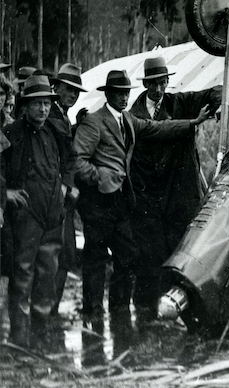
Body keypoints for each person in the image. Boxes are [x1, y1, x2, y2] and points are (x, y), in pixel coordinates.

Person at [72, 70, 211, 326]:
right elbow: (77, 160)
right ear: (109, 94)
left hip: (119, 202)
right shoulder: (94, 121)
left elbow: (157, 127)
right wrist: (100, 176)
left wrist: (192, 123)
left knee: (128, 256)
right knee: (95, 259)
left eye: (126, 93)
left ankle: (119, 312)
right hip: (97, 203)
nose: (124, 98)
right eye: (118, 93)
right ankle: (92, 315)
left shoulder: (127, 119)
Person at [123, 55, 222, 322]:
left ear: (168, 81)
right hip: (149, 197)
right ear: (146, 84)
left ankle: (186, 312)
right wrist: (195, 122)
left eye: (162, 82)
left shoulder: (180, 102)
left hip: (179, 193)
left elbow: (217, 91)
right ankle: (148, 316)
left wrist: (217, 106)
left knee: (183, 252)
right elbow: (155, 132)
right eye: (153, 84)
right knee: (151, 258)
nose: (158, 89)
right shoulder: (134, 115)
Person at [1, 74, 76, 348]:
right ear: (26, 105)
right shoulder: (11, 133)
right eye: (37, 104)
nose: (43, 109)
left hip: (52, 214)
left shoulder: (56, 131)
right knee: (23, 275)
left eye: (47, 104)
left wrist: (67, 185)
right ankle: (20, 340)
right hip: (25, 215)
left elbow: (70, 159)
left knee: (48, 274)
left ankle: (40, 335)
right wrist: (5, 193)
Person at [48, 63, 86, 316]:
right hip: (53, 197)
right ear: (56, 88)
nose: (73, 95)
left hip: (63, 199)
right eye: (68, 89)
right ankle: (47, 311)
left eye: (76, 91)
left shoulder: (62, 114)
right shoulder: (48, 113)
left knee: (64, 255)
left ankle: (50, 309)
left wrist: (75, 126)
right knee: (57, 255)